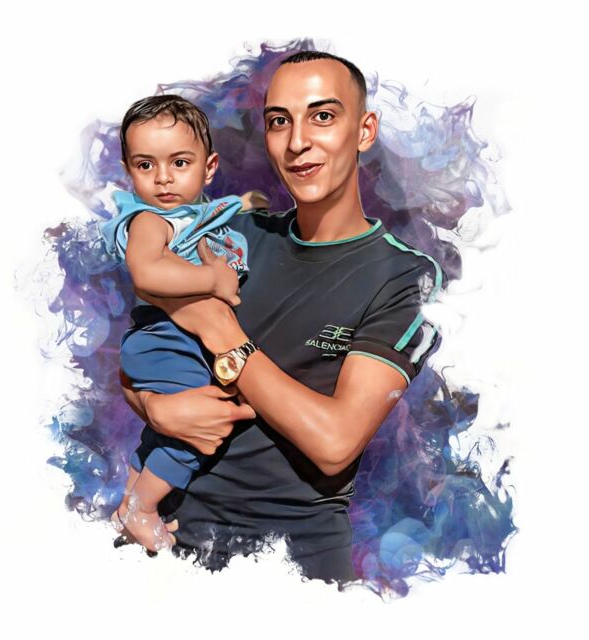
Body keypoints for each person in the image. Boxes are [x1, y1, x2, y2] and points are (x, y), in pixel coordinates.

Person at [121, 51, 443, 583]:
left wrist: (224, 334)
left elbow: (335, 443)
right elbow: (141, 356)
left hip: (295, 565)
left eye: (322, 116)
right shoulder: (233, 238)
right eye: (278, 121)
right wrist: (155, 409)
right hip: (167, 539)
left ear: (364, 131)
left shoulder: (404, 277)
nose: (297, 142)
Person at [101, 95, 262, 554]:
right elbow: (146, 273)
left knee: (167, 427)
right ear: (129, 172)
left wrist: (246, 203)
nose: (163, 177)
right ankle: (143, 508)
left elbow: (217, 215)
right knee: (196, 429)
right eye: (145, 165)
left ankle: (131, 497)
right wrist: (212, 279)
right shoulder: (149, 220)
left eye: (179, 162)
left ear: (208, 168)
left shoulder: (190, 215)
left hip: (172, 340)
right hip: (164, 338)